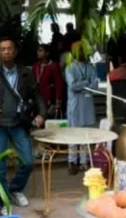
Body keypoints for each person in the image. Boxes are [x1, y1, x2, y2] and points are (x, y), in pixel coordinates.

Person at [0, 37, 46, 214]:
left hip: (19, 123)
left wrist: (42, 114)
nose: (6, 52)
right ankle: (4, 200)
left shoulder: (25, 72)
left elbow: (37, 95)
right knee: (0, 166)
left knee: (28, 161)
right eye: (2, 49)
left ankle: (15, 189)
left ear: (15, 51)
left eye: (9, 48)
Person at [65, 41, 99, 174]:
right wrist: (86, 83)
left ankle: (84, 162)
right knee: (73, 134)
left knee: (86, 134)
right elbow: (73, 86)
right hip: (75, 105)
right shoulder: (70, 68)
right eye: (79, 51)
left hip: (87, 104)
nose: (81, 53)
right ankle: (72, 161)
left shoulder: (91, 67)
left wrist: (83, 86)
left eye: (83, 50)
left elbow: (95, 85)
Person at [32, 44, 64, 119]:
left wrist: (58, 99)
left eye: (40, 51)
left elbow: (59, 83)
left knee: (48, 119)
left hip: (49, 97)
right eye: (37, 51)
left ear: (47, 53)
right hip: (37, 97)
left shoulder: (53, 66)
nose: (38, 52)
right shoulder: (35, 66)